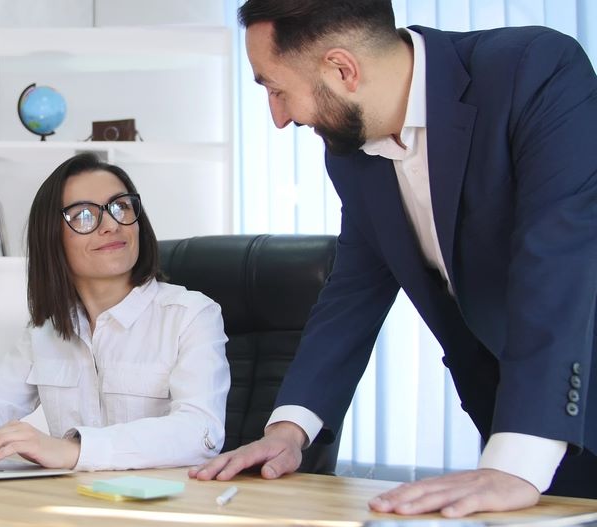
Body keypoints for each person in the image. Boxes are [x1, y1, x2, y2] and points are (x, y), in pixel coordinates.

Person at [190, 0, 597, 517]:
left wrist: (517, 460)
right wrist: (290, 429)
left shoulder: (534, 70)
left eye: (275, 88)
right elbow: (354, 287)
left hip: (559, 396)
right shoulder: (351, 150)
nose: (278, 117)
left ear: (342, 69)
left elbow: (559, 263)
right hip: (514, 413)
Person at [0, 153, 230, 471]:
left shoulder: (192, 315)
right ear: (52, 239)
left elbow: (199, 432)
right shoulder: (45, 331)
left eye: (121, 207)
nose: (110, 225)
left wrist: (74, 451)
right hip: (73, 503)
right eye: (83, 215)